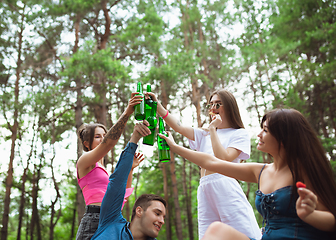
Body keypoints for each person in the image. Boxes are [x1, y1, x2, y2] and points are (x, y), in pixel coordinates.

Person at [159, 108, 336, 240]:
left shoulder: (304, 170)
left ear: (284, 138)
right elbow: (211, 162)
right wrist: (174, 147)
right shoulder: (261, 171)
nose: (259, 134)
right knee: (215, 231)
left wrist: (309, 214)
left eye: (265, 130)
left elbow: (331, 221)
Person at [146, 89, 261, 239]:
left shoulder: (239, 133)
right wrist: (157, 106)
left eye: (218, 104)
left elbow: (223, 159)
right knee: (207, 236)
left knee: (242, 232)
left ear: (229, 107)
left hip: (225, 185)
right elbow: (179, 127)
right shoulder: (204, 133)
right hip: (204, 187)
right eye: (210, 104)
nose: (213, 108)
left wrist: (213, 129)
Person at [76, 92, 147, 240]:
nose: (103, 138)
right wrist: (128, 111)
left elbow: (123, 194)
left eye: (104, 134)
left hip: (112, 220)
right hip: (94, 220)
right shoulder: (84, 162)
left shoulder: (105, 173)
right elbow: (108, 143)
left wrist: (130, 169)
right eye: (97, 136)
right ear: (86, 144)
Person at [91, 121, 167, 240]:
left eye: (163, 217)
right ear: (139, 211)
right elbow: (118, 181)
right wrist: (135, 138)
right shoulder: (111, 221)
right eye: (157, 213)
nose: (162, 221)